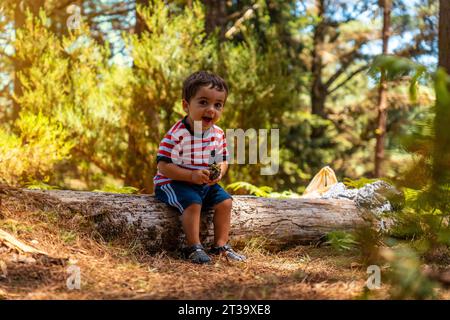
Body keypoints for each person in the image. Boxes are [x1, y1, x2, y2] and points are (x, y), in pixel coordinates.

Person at [153, 71, 246, 264]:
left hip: (204, 182)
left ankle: (221, 245)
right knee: (193, 203)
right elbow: (163, 166)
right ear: (186, 105)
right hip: (174, 182)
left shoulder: (218, 133)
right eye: (203, 102)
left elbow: (222, 160)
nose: (211, 109)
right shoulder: (176, 133)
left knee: (225, 202)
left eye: (218, 105)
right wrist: (190, 176)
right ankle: (193, 247)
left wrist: (219, 171)